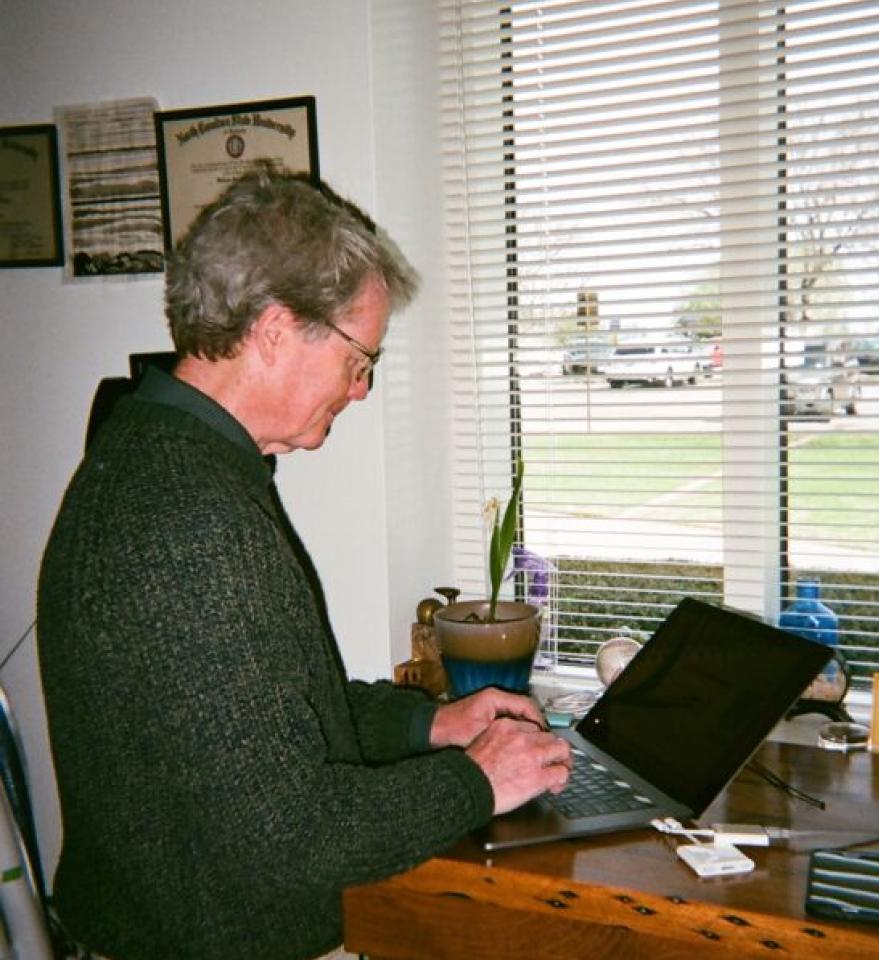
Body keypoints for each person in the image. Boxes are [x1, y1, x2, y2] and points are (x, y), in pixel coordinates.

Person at [37, 169, 572, 960]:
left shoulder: (167, 461)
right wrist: (478, 779)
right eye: (361, 360)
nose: (360, 391)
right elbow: (287, 839)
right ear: (276, 330)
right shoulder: (189, 518)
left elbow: (272, 718)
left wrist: (434, 723)